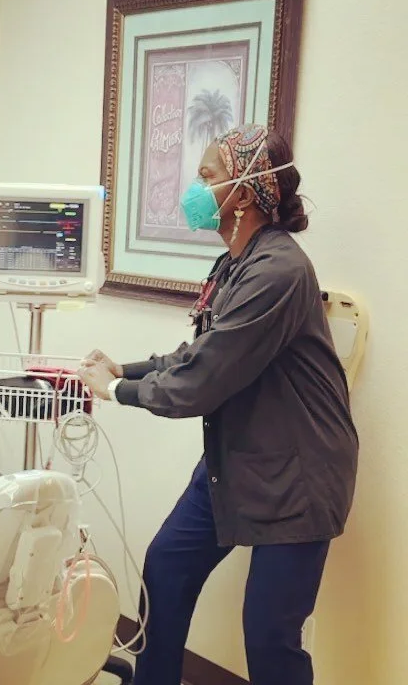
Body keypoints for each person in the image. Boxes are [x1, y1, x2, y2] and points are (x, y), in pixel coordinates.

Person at [78, 124, 359, 685]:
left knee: (270, 636)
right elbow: (201, 351)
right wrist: (126, 368)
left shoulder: (278, 271)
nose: (194, 188)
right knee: (167, 567)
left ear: (244, 193)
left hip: (298, 475)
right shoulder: (237, 261)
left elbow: (201, 382)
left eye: (207, 176)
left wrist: (112, 391)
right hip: (237, 460)